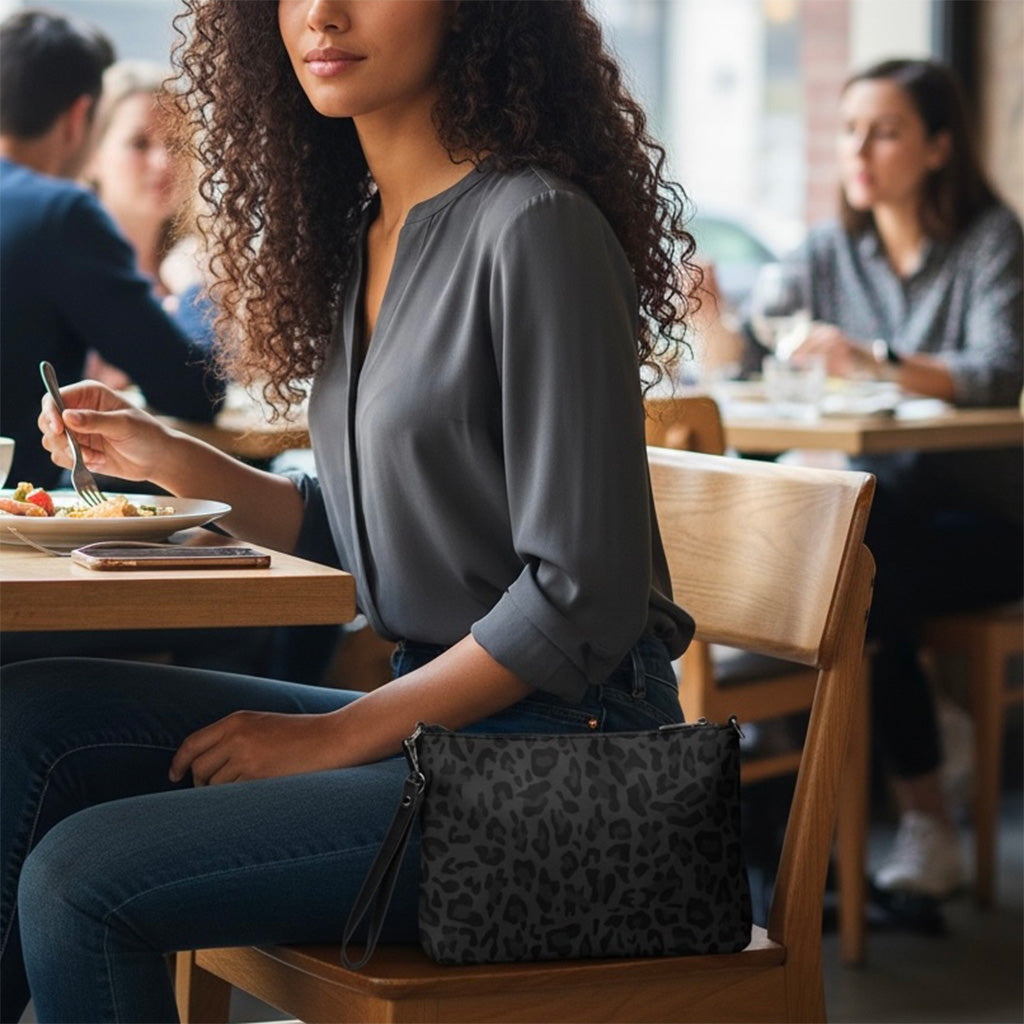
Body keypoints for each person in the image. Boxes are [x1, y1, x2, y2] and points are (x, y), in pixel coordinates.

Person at [0, 2, 700, 1020]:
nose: (320, 14)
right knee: (33, 720)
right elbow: (358, 530)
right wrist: (175, 458)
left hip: (581, 778)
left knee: (80, 877)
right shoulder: (371, 232)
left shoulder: (535, 226)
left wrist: (339, 736)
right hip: (445, 729)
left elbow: (579, 597)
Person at [732, 59, 1022, 901]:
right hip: (882, 517)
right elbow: (767, 341)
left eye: (885, 130)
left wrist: (878, 360)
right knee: (852, 549)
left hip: (989, 525)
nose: (859, 149)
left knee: (858, 563)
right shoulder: (828, 249)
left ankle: (902, 813)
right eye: (852, 129)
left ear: (937, 147)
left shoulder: (990, 240)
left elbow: (1000, 372)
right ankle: (918, 781)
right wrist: (728, 328)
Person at [0, 8, 223, 490]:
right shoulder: (59, 214)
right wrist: (196, 291)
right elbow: (195, 392)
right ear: (82, 116)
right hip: (18, 535)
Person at [80, 58, 216, 389]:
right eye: (139, 144)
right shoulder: (70, 268)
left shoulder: (204, 264)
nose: (163, 162)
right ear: (92, 156)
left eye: (175, 143)